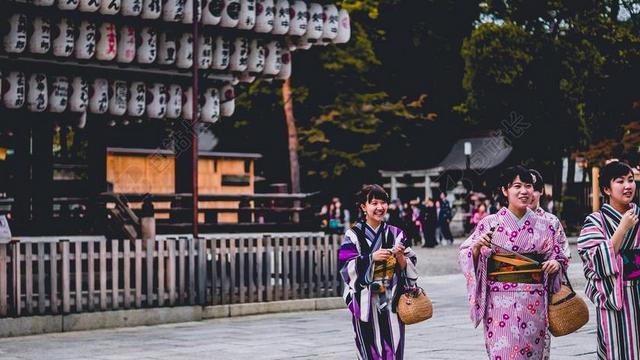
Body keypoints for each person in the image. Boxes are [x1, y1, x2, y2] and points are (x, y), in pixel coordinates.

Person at [459, 165, 568, 359]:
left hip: (534, 301)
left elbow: (558, 255)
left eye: (528, 186)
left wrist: (556, 264)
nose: (524, 191)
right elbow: (466, 253)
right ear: (505, 190)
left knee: (532, 353)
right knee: (503, 352)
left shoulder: (546, 225)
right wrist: (476, 249)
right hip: (499, 302)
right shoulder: (489, 223)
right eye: (517, 186)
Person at [339, 184, 419, 360]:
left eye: (383, 203)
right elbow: (346, 266)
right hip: (365, 300)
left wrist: (400, 257)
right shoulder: (353, 234)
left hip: (392, 300)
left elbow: (410, 265)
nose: (380, 207)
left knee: (393, 345)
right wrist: (370, 258)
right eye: (374, 203)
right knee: (368, 349)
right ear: (363, 207)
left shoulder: (396, 234)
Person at [577, 161, 640, 359]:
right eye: (620, 181)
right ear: (606, 189)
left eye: (630, 180)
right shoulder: (595, 221)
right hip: (616, 298)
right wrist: (622, 228)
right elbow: (594, 261)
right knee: (619, 349)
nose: (628, 186)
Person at [529, 169, 570, 259]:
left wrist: (557, 263)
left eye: (535, 189)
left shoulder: (552, 221)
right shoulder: (500, 221)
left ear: (542, 191)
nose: (529, 194)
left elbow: (564, 254)